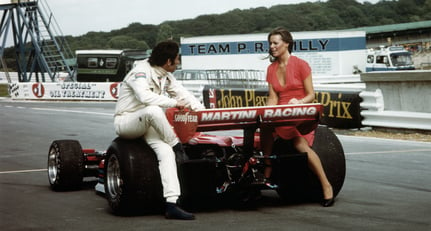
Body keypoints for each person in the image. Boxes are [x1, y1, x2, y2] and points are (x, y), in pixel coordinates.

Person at [114, 40, 204, 219]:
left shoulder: (165, 75)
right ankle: (177, 146)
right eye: (177, 59)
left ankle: (171, 204)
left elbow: (184, 95)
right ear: (168, 61)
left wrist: (204, 114)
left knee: (166, 153)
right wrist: (174, 103)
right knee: (154, 110)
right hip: (126, 121)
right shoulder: (139, 71)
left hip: (148, 122)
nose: (179, 63)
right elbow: (144, 96)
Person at [260, 27, 334, 207]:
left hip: (301, 112)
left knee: (297, 142)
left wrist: (298, 102)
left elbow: (311, 95)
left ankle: (326, 185)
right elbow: (273, 97)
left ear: (286, 44)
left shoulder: (301, 64)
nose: (272, 46)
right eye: (270, 43)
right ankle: (267, 165)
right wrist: (268, 112)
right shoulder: (271, 68)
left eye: (275, 43)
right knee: (264, 125)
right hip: (281, 112)